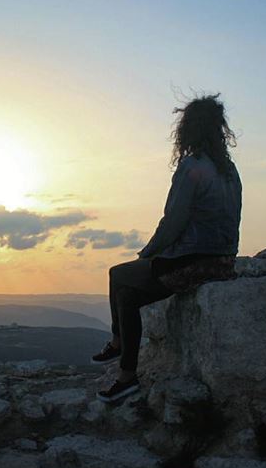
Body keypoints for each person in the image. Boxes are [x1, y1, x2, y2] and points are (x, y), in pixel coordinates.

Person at [92, 93, 242, 403]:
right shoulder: (229, 170)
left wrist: (148, 252)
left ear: (187, 130)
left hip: (192, 260)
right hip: (223, 260)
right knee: (128, 297)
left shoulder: (192, 167)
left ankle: (119, 343)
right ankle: (127, 376)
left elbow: (173, 221)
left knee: (118, 274)